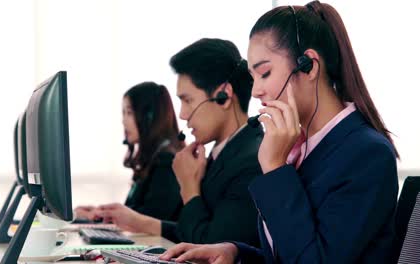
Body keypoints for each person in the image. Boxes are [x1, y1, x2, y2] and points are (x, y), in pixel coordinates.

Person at [160, 1, 399, 263]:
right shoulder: (300, 147)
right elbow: (289, 250)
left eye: (265, 73)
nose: (255, 91)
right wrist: (236, 253)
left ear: (309, 66)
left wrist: (274, 168)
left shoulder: (365, 154)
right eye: (253, 77)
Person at [94, 38, 262, 247]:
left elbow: (211, 245)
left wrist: (189, 188)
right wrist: (137, 221)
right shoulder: (224, 153)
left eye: (188, 100)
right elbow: (190, 231)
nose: (182, 115)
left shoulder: (253, 161)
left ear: (224, 96)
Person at [75, 82, 184, 222]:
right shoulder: (152, 159)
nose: (123, 121)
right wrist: (100, 213)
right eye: (123, 113)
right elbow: (135, 212)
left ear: (150, 117)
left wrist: (100, 217)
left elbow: (151, 219)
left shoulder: (167, 161)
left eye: (129, 113)